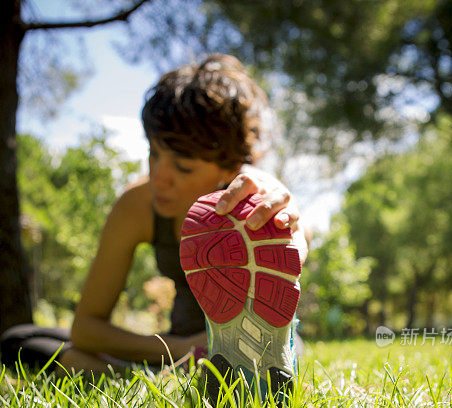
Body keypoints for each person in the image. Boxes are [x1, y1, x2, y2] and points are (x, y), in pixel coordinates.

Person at [1, 54, 307, 379]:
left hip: (254, 346)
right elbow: (86, 328)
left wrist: (290, 225)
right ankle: (170, 375)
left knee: (274, 351)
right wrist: (183, 348)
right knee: (20, 342)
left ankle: (193, 373)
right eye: (154, 153)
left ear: (229, 167)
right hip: (176, 346)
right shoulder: (137, 205)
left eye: (183, 167)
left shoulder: (255, 195)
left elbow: (295, 232)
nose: (158, 177)